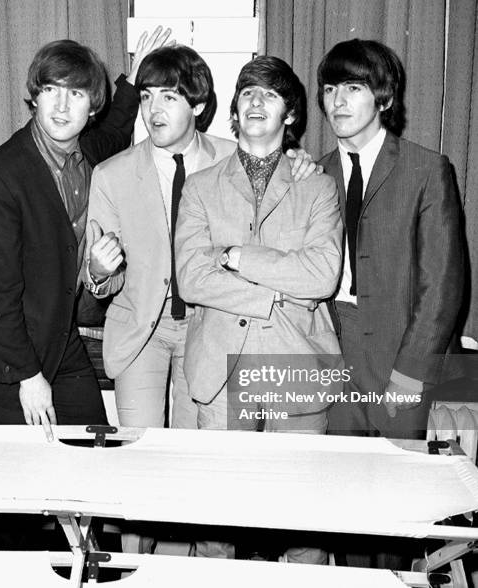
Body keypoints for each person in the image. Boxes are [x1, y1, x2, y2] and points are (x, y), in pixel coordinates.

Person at [85, 45, 318, 432]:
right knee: (140, 450)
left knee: (194, 454)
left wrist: (297, 158)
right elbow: (106, 280)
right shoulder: (112, 174)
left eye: (169, 97)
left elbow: (278, 172)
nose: (153, 110)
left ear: (197, 104)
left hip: (210, 325)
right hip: (143, 328)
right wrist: (97, 271)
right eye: (146, 97)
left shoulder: (234, 157)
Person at [0, 30, 170, 440]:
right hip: (7, 356)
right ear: (34, 97)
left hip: (60, 340)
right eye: (51, 89)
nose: (60, 105)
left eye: (75, 94)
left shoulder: (89, 152)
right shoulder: (2, 177)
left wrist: (135, 75)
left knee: (98, 450)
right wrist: (28, 377)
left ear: (91, 106)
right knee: (25, 487)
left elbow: (116, 127)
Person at [174, 55, 342, 562]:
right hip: (221, 368)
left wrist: (237, 258)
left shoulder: (317, 185)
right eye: (247, 92)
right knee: (217, 524)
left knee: (302, 521)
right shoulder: (201, 186)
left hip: (296, 359)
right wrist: (273, 293)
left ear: (290, 114)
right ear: (233, 109)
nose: (255, 101)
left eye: (269, 93)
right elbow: (191, 278)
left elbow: (321, 276)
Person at [317, 39, 464, 441]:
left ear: (383, 99)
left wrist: (411, 370)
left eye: (353, 88)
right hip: (333, 348)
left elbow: (442, 286)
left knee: (403, 488)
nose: (338, 102)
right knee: (336, 483)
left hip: (402, 347)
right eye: (330, 89)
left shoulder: (426, 169)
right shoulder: (315, 174)